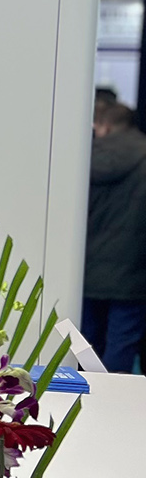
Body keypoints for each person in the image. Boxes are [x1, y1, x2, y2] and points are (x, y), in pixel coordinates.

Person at [82, 99, 146, 373]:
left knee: (85, 346)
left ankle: (82, 396)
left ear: (105, 127)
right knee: (123, 344)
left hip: (87, 270)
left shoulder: (82, 159)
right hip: (134, 271)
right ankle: (115, 397)